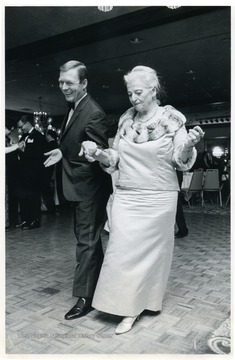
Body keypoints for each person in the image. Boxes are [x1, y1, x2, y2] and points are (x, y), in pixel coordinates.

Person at [79, 65, 204, 335]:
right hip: (126, 195)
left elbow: (180, 161)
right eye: (129, 93)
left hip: (159, 198)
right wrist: (99, 154)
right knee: (120, 251)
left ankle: (136, 307)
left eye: (138, 92)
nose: (133, 98)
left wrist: (191, 144)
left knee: (150, 257)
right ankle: (122, 302)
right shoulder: (126, 119)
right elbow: (115, 159)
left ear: (153, 90)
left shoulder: (171, 118)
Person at [44, 60, 112, 320]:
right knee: (90, 242)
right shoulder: (74, 107)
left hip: (89, 189)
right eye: (61, 82)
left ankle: (87, 299)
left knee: (86, 243)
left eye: (69, 83)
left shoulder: (93, 112)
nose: (63, 87)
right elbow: (76, 142)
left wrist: (87, 154)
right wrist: (63, 150)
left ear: (84, 84)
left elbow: (96, 153)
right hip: (79, 187)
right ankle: (98, 287)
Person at [17, 114, 47, 230]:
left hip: (35, 174)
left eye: (21, 126)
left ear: (28, 124)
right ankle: (26, 220)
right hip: (24, 173)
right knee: (25, 197)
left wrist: (23, 151)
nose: (21, 129)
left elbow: (38, 155)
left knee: (34, 197)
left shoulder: (38, 136)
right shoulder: (23, 136)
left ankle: (35, 220)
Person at [175, 170, 188, 238]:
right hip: (176, 176)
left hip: (174, 178)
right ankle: (182, 229)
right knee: (177, 204)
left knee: (176, 204)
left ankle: (182, 229)